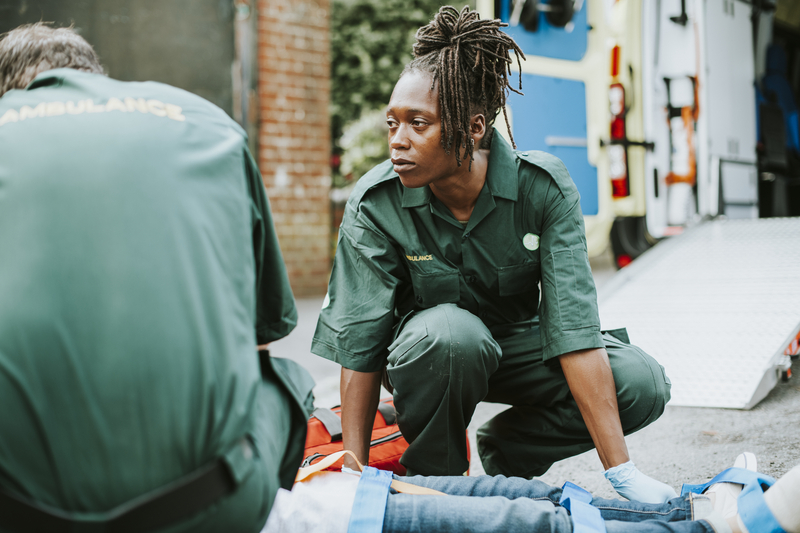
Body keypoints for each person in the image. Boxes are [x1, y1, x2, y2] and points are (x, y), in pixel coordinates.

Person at [311, 5, 673, 502]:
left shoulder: (542, 189)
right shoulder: (377, 203)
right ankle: (440, 482)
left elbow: (573, 329)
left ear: (475, 127)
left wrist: (621, 472)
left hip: (520, 350)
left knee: (641, 381)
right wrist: (353, 477)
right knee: (451, 334)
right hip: (432, 357)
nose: (397, 141)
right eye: (391, 123)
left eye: (419, 124)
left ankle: (510, 452)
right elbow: (360, 345)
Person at [0, 23, 313, 532]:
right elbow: (258, 338)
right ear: (95, 77)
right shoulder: (206, 123)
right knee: (288, 381)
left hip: (19, 514)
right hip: (210, 506)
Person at [262, 451, 800, 533]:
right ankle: (718, 527)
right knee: (532, 523)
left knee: (527, 492)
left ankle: (683, 508)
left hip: (333, 485)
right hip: (318, 521)